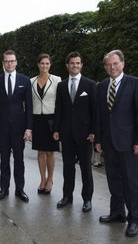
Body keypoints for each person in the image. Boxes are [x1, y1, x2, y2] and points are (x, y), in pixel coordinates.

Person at [95, 49, 138, 238]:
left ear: (123, 64)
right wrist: (98, 139)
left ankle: (134, 218)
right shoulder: (102, 86)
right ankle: (118, 213)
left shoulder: (134, 84)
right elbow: (100, 116)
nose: (112, 67)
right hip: (108, 141)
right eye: (108, 64)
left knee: (131, 182)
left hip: (128, 143)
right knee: (112, 179)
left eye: (115, 63)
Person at [53, 52, 96, 213]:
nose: (75, 66)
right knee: (68, 168)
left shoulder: (90, 85)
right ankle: (67, 196)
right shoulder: (62, 85)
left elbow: (95, 111)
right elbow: (59, 109)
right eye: (72, 63)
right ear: (67, 66)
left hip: (85, 135)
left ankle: (87, 200)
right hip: (66, 134)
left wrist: (93, 131)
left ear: (81, 65)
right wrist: (56, 129)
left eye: (78, 63)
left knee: (86, 169)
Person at [0, 50, 32, 202]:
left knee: (19, 160)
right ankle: (4, 189)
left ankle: (20, 190)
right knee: (4, 160)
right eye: (6, 61)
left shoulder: (25, 81)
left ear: (16, 62)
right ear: (3, 63)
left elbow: (29, 106)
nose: (9, 63)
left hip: (19, 129)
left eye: (12, 61)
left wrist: (29, 128)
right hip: (2, 128)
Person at [31, 53, 61, 195]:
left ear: (50, 65)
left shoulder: (57, 80)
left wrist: (58, 125)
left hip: (51, 120)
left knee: (50, 152)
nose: (44, 66)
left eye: (47, 63)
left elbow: (60, 102)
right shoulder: (31, 81)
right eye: (42, 63)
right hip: (37, 119)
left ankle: (50, 179)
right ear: (38, 65)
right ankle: (42, 179)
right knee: (40, 151)